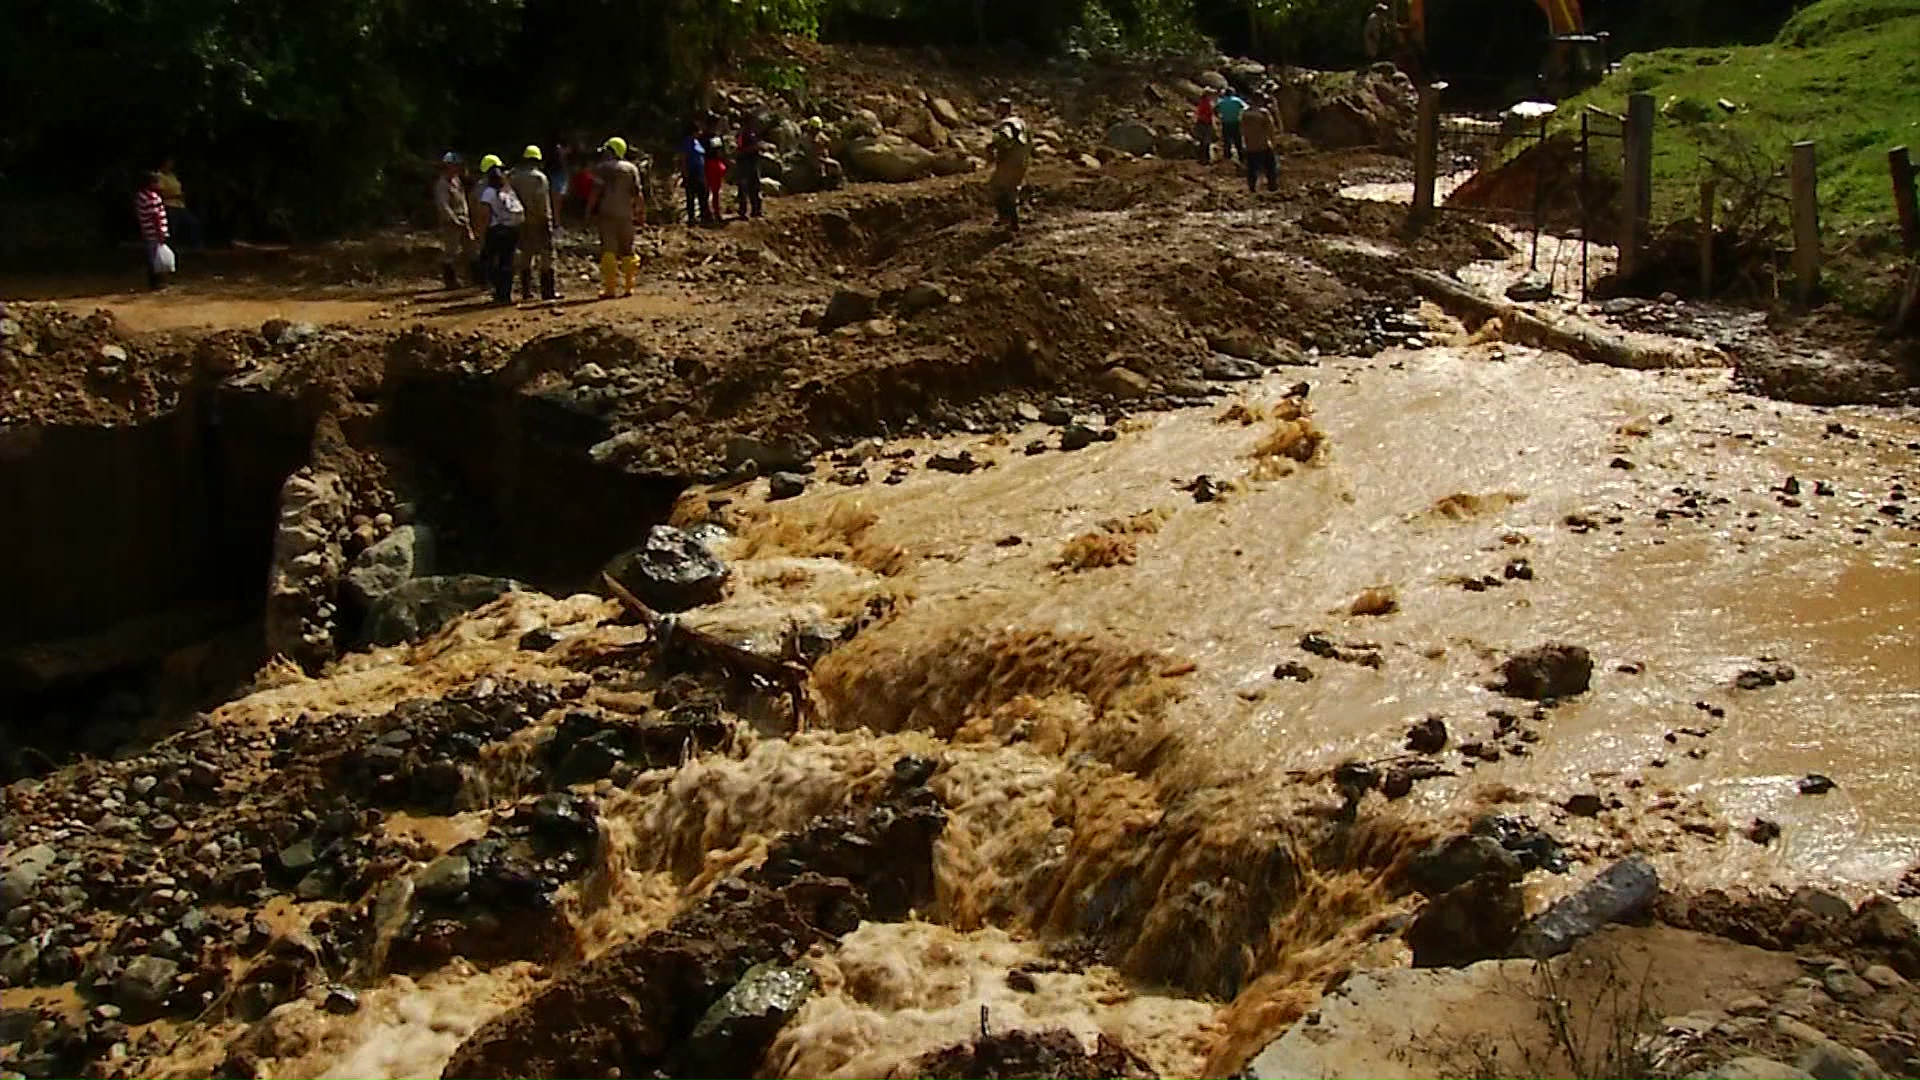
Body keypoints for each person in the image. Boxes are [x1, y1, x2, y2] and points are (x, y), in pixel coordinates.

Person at [587, 136, 643, 299]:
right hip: (626, 214)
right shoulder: (631, 169)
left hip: (606, 214)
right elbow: (638, 193)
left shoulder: (602, 168)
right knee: (628, 250)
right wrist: (640, 212)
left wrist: (588, 211)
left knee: (608, 251)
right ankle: (628, 287)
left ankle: (610, 289)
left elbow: (595, 192)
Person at [509, 145, 559, 301]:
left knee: (526, 255)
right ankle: (547, 292)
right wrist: (548, 221)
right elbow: (542, 202)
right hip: (539, 220)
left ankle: (526, 291)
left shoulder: (514, 178)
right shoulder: (539, 178)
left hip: (521, 221)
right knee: (547, 255)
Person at [476, 159, 525, 305]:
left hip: (496, 230)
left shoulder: (488, 192)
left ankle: (497, 291)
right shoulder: (508, 190)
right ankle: (506, 294)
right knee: (507, 262)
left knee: (488, 261)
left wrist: (480, 233)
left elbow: (485, 215)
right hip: (512, 230)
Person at [987, 98, 1032, 229]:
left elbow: (1006, 139)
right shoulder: (1021, 122)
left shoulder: (1006, 124)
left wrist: (993, 145)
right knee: (1012, 189)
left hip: (1010, 161)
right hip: (1022, 160)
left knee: (997, 187)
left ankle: (1004, 218)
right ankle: (1014, 222)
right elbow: (1029, 142)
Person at [433, 152, 474, 291]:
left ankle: (471, 278)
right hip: (451, 223)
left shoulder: (457, 181)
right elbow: (443, 205)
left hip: (463, 219)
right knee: (451, 252)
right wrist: (453, 220)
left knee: (470, 248)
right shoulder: (442, 184)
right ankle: (450, 281)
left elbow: (462, 200)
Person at [134, 173, 174, 290]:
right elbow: (155, 216)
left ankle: (154, 283)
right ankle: (158, 284)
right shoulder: (152, 197)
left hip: (148, 231)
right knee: (157, 259)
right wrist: (160, 233)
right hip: (155, 232)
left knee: (153, 257)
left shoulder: (141, 196)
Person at [155, 159, 203, 251]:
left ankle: (197, 246)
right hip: (169, 205)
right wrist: (176, 195)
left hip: (180, 205)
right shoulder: (159, 176)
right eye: (168, 164)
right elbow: (160, 192)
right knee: (172, 229)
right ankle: (170, 249)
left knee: (194, 222)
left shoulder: (172, 176)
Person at [1241, 97, 1279, 193]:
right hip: (1263, 144)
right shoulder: (1263, 113)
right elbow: (1271, 128)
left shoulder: (1245, 113)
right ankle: (1272, 186)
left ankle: (1252, 187)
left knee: (1251, 168)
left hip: (1250, 145)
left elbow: (1242, 128)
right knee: (1270, 166)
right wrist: (1273, 141)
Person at [735, 118, 767, 220]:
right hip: (744, 164)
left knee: (755, 187)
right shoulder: (741, 134)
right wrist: (754, 148)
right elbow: (739, 150)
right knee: (743, 189)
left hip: (754, 163)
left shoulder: (754, 134)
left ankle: (756, 210)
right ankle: (743, 211)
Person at [680, 122, 709, 226]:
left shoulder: (698, 142)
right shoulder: (687, 142)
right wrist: (685, 173)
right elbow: (683, 158)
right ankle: (691, 218)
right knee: (691, 195)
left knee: (703, 193)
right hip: (692, 171)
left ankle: (704, 215)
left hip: (700, 171)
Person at [1215, 89, 1248, 163]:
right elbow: (1246, 107)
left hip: (1225, 122)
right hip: (1236, 122)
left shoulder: (1221, 101)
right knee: (1238, 141)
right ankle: (1241, 158)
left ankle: (1227, 158)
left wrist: (1220, 115)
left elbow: (1215, 109)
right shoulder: (1237, 100)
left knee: (1226, 141)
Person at [703, 134, 728, 225]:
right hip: (708, 164)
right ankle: (707, 212)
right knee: (707, 190)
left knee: (715, 190)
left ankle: (716, 212)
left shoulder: (717, 137)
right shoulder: (704, 138)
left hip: (715, 163)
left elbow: (721, 151)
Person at [1194, 91, 1217, 164]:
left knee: (1202, 141)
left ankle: (1202, 158)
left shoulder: (1201, 102)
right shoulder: (1208, 103)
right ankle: (1206, 158)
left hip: (1201, 122)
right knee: (1206, 142)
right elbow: (1210, 114)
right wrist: (1213, 124)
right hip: (1206, 123)